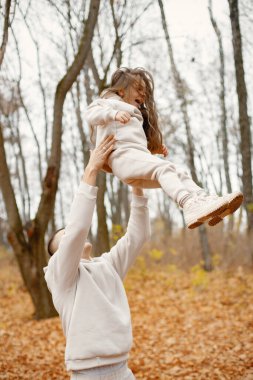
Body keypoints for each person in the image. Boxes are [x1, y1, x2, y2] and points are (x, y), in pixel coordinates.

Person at [44, 135, 150, 380]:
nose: (70, 236)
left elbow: (138, 235)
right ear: (58, 255)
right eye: (64, 236)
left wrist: (137, 181)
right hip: (87, 374)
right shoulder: (60, 277)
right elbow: (77, 229)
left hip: (123, 371)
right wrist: (92, 168)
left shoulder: (107, 266)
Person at [84, 67, 243, 229]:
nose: (143, 94)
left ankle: (205, 201)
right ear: (121, 91)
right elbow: (90, 113)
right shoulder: (108, 103)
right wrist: (112, 114)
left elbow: (132, 144)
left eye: (144, 91)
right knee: (164, 168)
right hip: (121, 159)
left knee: (178, 171)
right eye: (138, 89)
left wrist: (153, 149)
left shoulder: (134, 114)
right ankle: (187, 203)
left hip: (132, 162)